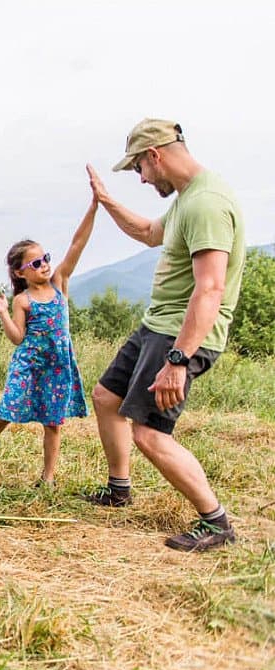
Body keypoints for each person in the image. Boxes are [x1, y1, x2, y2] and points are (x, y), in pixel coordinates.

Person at [85, 118, 245, 552]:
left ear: (155, 155)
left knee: (150, 433)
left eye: (139, 167)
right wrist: (106, 201)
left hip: (180, 335)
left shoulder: (206, 204)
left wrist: (178, 360)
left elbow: (210, 287)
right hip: (157, 325)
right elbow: (148, 233)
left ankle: (216, 523)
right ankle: (119, 490)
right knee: (106, 397)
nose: (140, 177)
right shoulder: (186, 198)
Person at [0, 195, 96, 486]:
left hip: (57, 365)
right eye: (36, 263)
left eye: (46, 259)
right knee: (7, 411)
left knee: (53, 423)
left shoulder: (59, 284)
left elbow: (77, 244)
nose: (44, 265)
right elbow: (18, 338)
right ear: (20, 272)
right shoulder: (22, 300)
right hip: (28, 364)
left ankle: (48, 479)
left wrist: (94, 205)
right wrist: (3, 312)